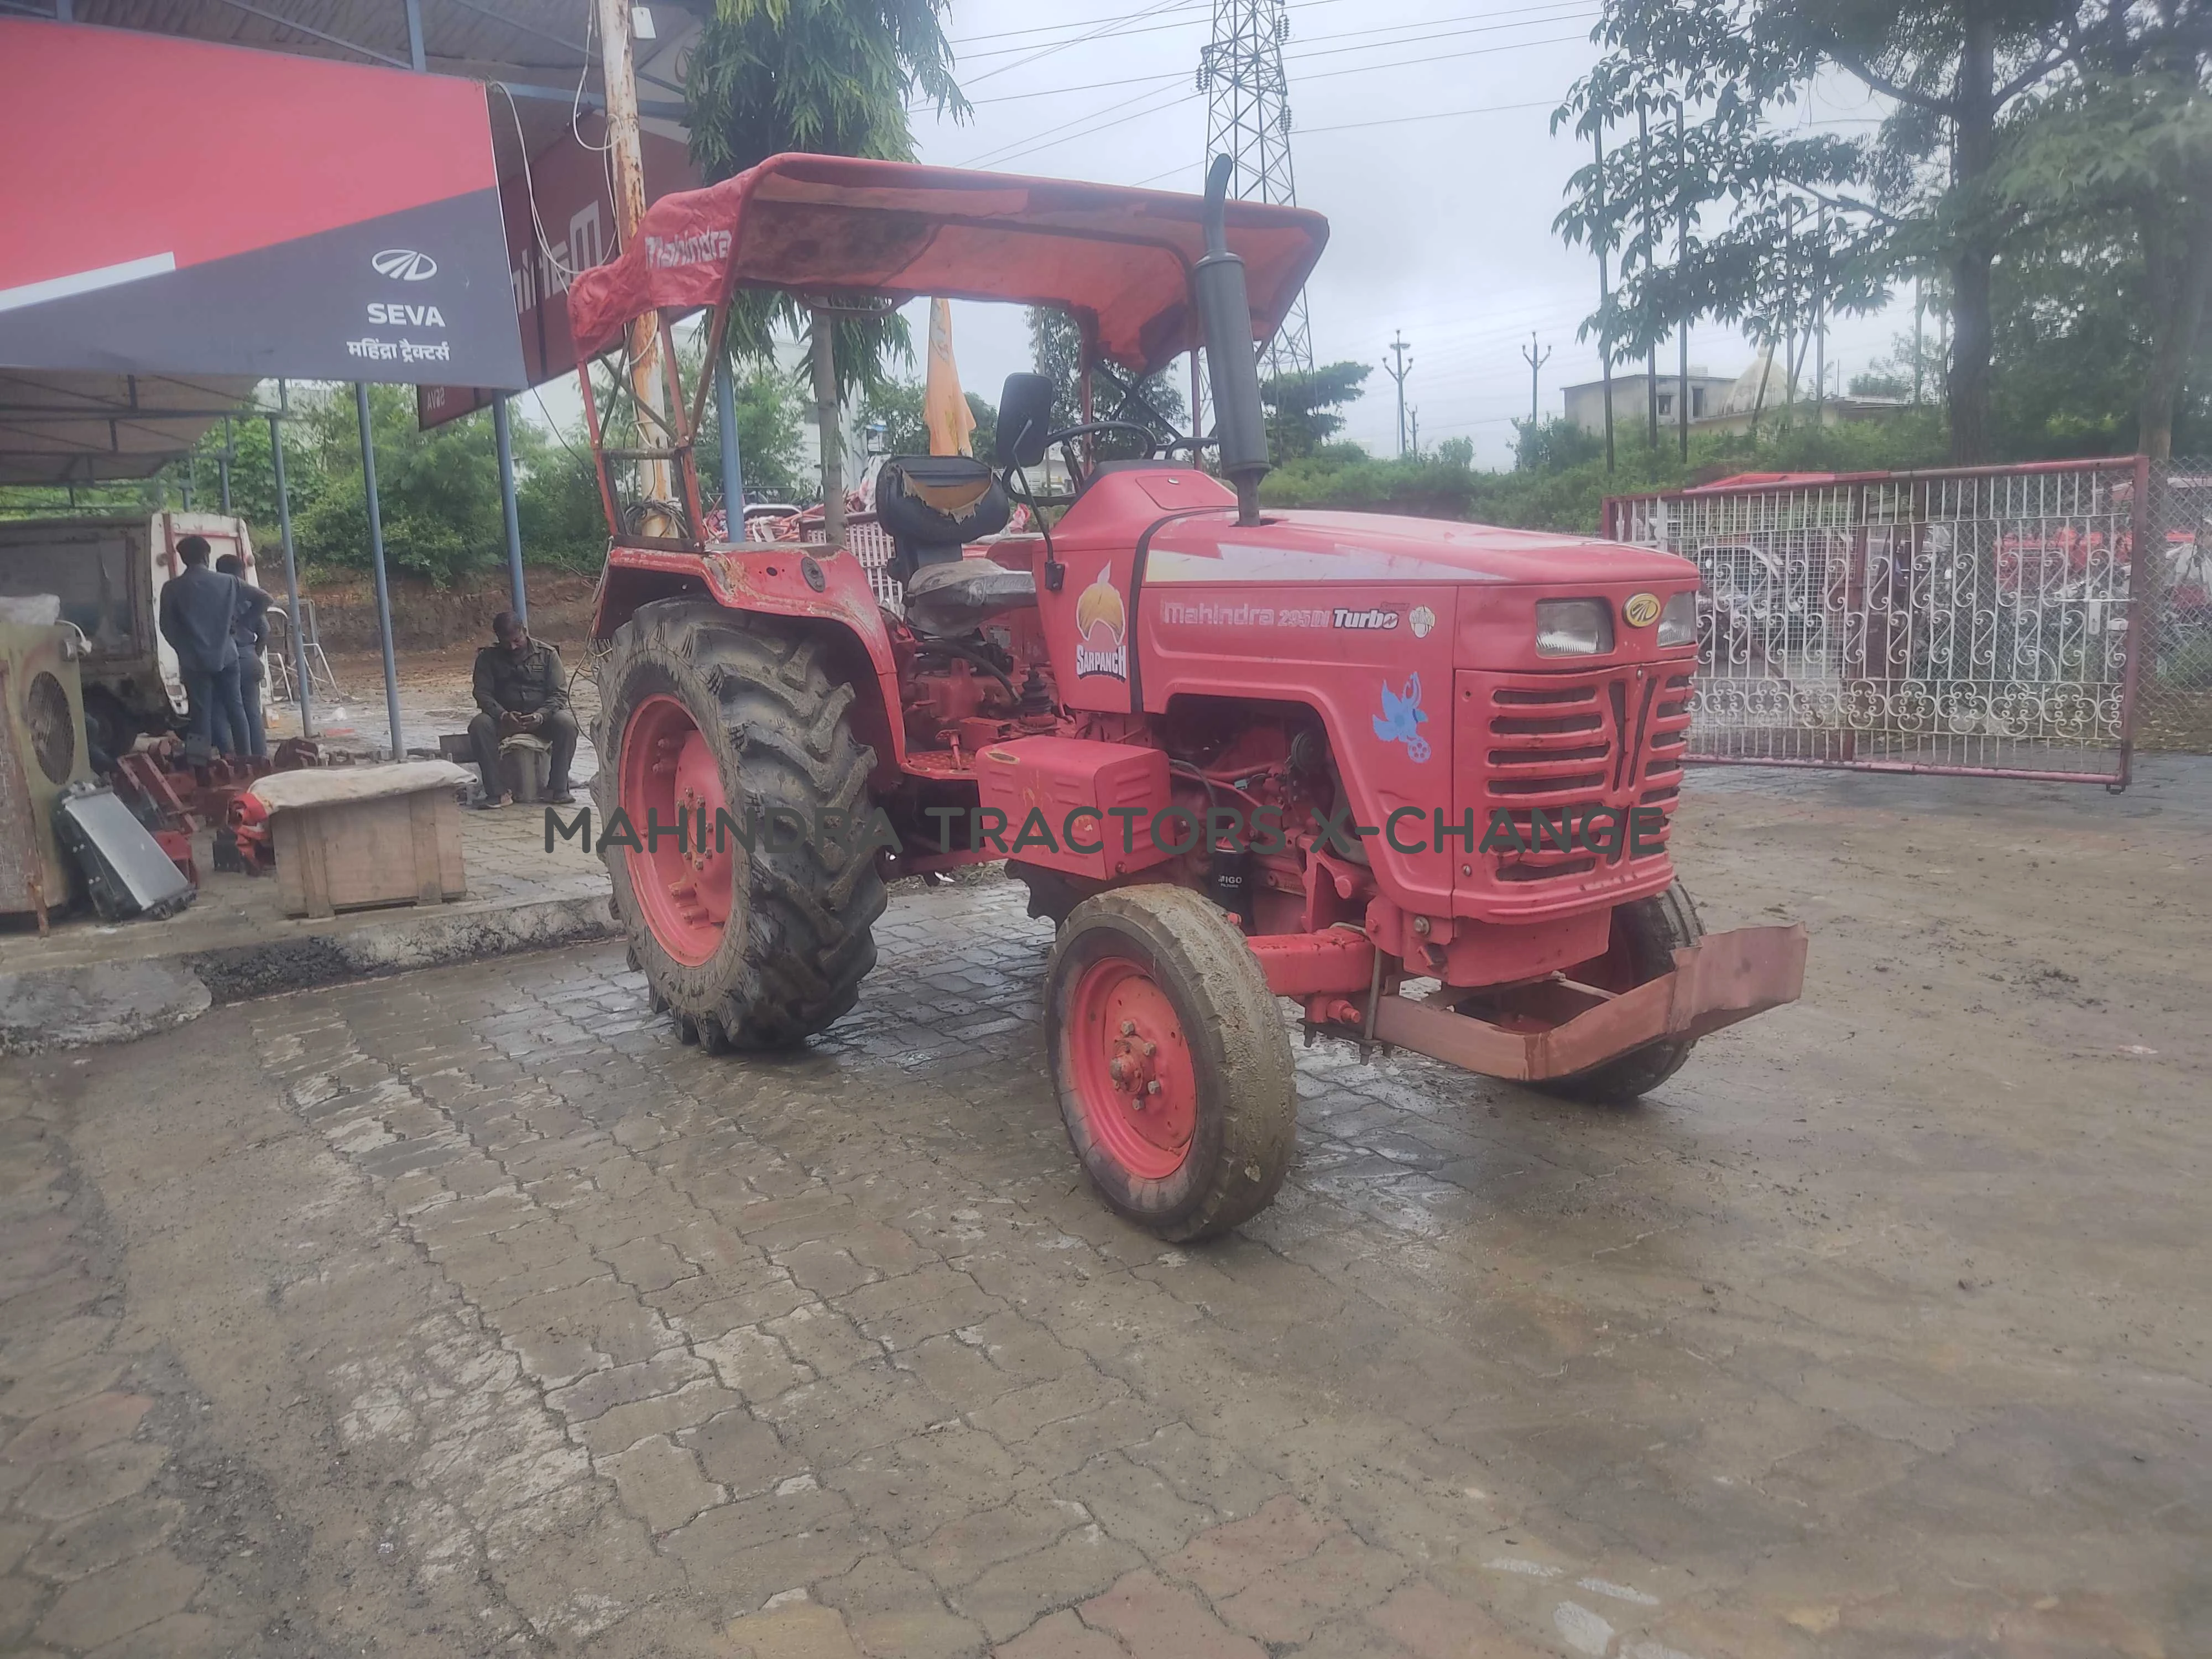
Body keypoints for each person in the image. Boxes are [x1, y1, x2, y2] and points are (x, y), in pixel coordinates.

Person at [469, 612, 577, 807]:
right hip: (504, 720)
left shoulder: (548, 655)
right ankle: (497, 792)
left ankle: (558, 788)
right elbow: (482, 693)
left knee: (567, 724)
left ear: (525, 632)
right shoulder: (487, 658)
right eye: (506, 642)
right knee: (479, 725)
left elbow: (559, 694)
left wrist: (541, 715)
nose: (512, 646)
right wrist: (501, 715)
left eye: (517, 640)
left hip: (540, 719)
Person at [157, 535, 250, 759]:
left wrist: (183, 648)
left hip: (194, 661)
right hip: (227, 655)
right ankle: (248, 761)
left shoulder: (172, 588)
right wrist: (237, 626)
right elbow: (264, 599)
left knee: (200, 716)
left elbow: (166, 627)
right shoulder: (228, 582)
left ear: (182, 558)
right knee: (236, 709)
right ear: (207, 556)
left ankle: (200, 768)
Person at [215, 553, 274, 759]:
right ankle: (260, 759)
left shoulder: (216, 597)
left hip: (222, 661)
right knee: (252, 712)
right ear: (240, 573)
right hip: (249, 659)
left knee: (222, 712)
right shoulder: (248, 599)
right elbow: (265, 630)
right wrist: (254, 653)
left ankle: (232, 760)